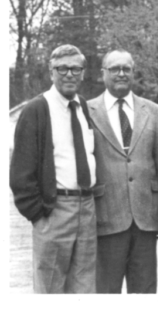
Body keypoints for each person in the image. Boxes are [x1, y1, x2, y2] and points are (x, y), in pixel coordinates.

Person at [10, 44, 97, 293]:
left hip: (87, 208)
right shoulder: (37, 109)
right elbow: (20, 173)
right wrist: (39, 214)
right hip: (54, 209)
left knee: (85, 288)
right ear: (51, 72)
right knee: (50, 289)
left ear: (83, 73)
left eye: (75, 69)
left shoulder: (82, 106)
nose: (69, 74)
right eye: (62, 69)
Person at [88, 50, 158, 293]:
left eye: (126, 68)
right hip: (105, 217)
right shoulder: (87, 110)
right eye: (114, 69)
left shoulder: (152, 110)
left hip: (146, 217)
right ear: (103, 73)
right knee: (106, 292)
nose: (121, 73)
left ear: (133, 73)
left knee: (144, 291)